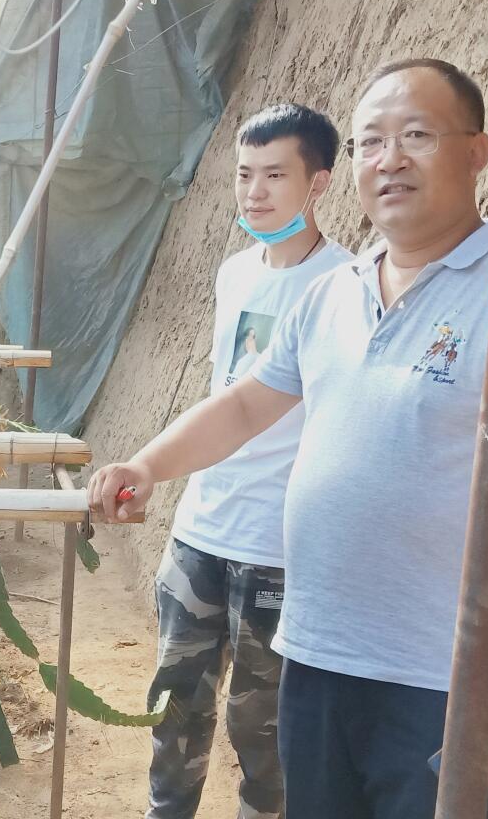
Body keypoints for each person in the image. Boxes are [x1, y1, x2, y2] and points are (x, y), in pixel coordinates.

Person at [90, 59, 488, 819]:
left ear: (476, 153)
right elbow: (245, 406)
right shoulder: (331, 293)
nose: (389, 159)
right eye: (370, 142)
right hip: (315, 657)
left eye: (416, 136)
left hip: (443, 682)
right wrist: (147, 464)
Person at [141, 103, 354, 819]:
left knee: (263, 732)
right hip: (200, 531)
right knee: (173, 711)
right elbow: (227, 399)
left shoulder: (346, 285)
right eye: (243, 174)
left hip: (280, 550)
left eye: (274, 175)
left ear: (318, 182)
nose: (254, 192)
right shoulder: (234, 273)